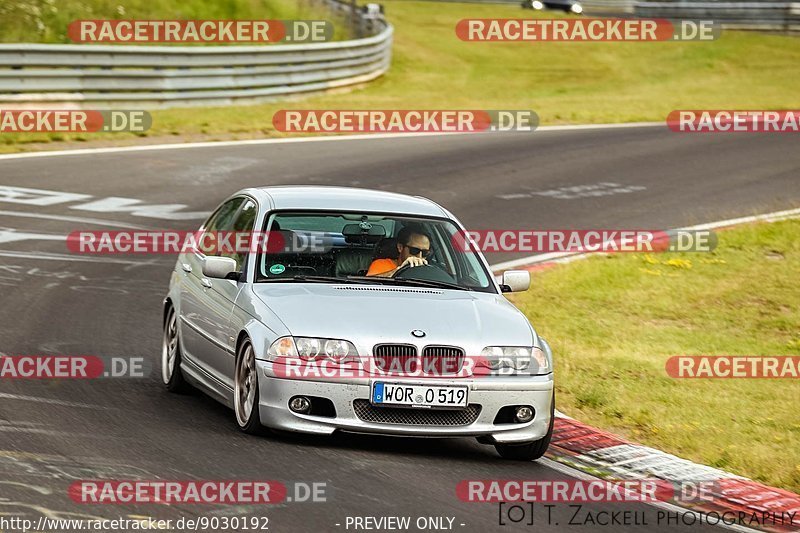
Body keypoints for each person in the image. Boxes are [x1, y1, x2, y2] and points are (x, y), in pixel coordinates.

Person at [366, 226, 432, 277]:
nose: (419, 257)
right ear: (400, 247)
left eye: (425, 253)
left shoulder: (430, 271)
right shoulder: (381, 264)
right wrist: (400, 270)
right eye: (414, 251)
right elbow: (367, 285)